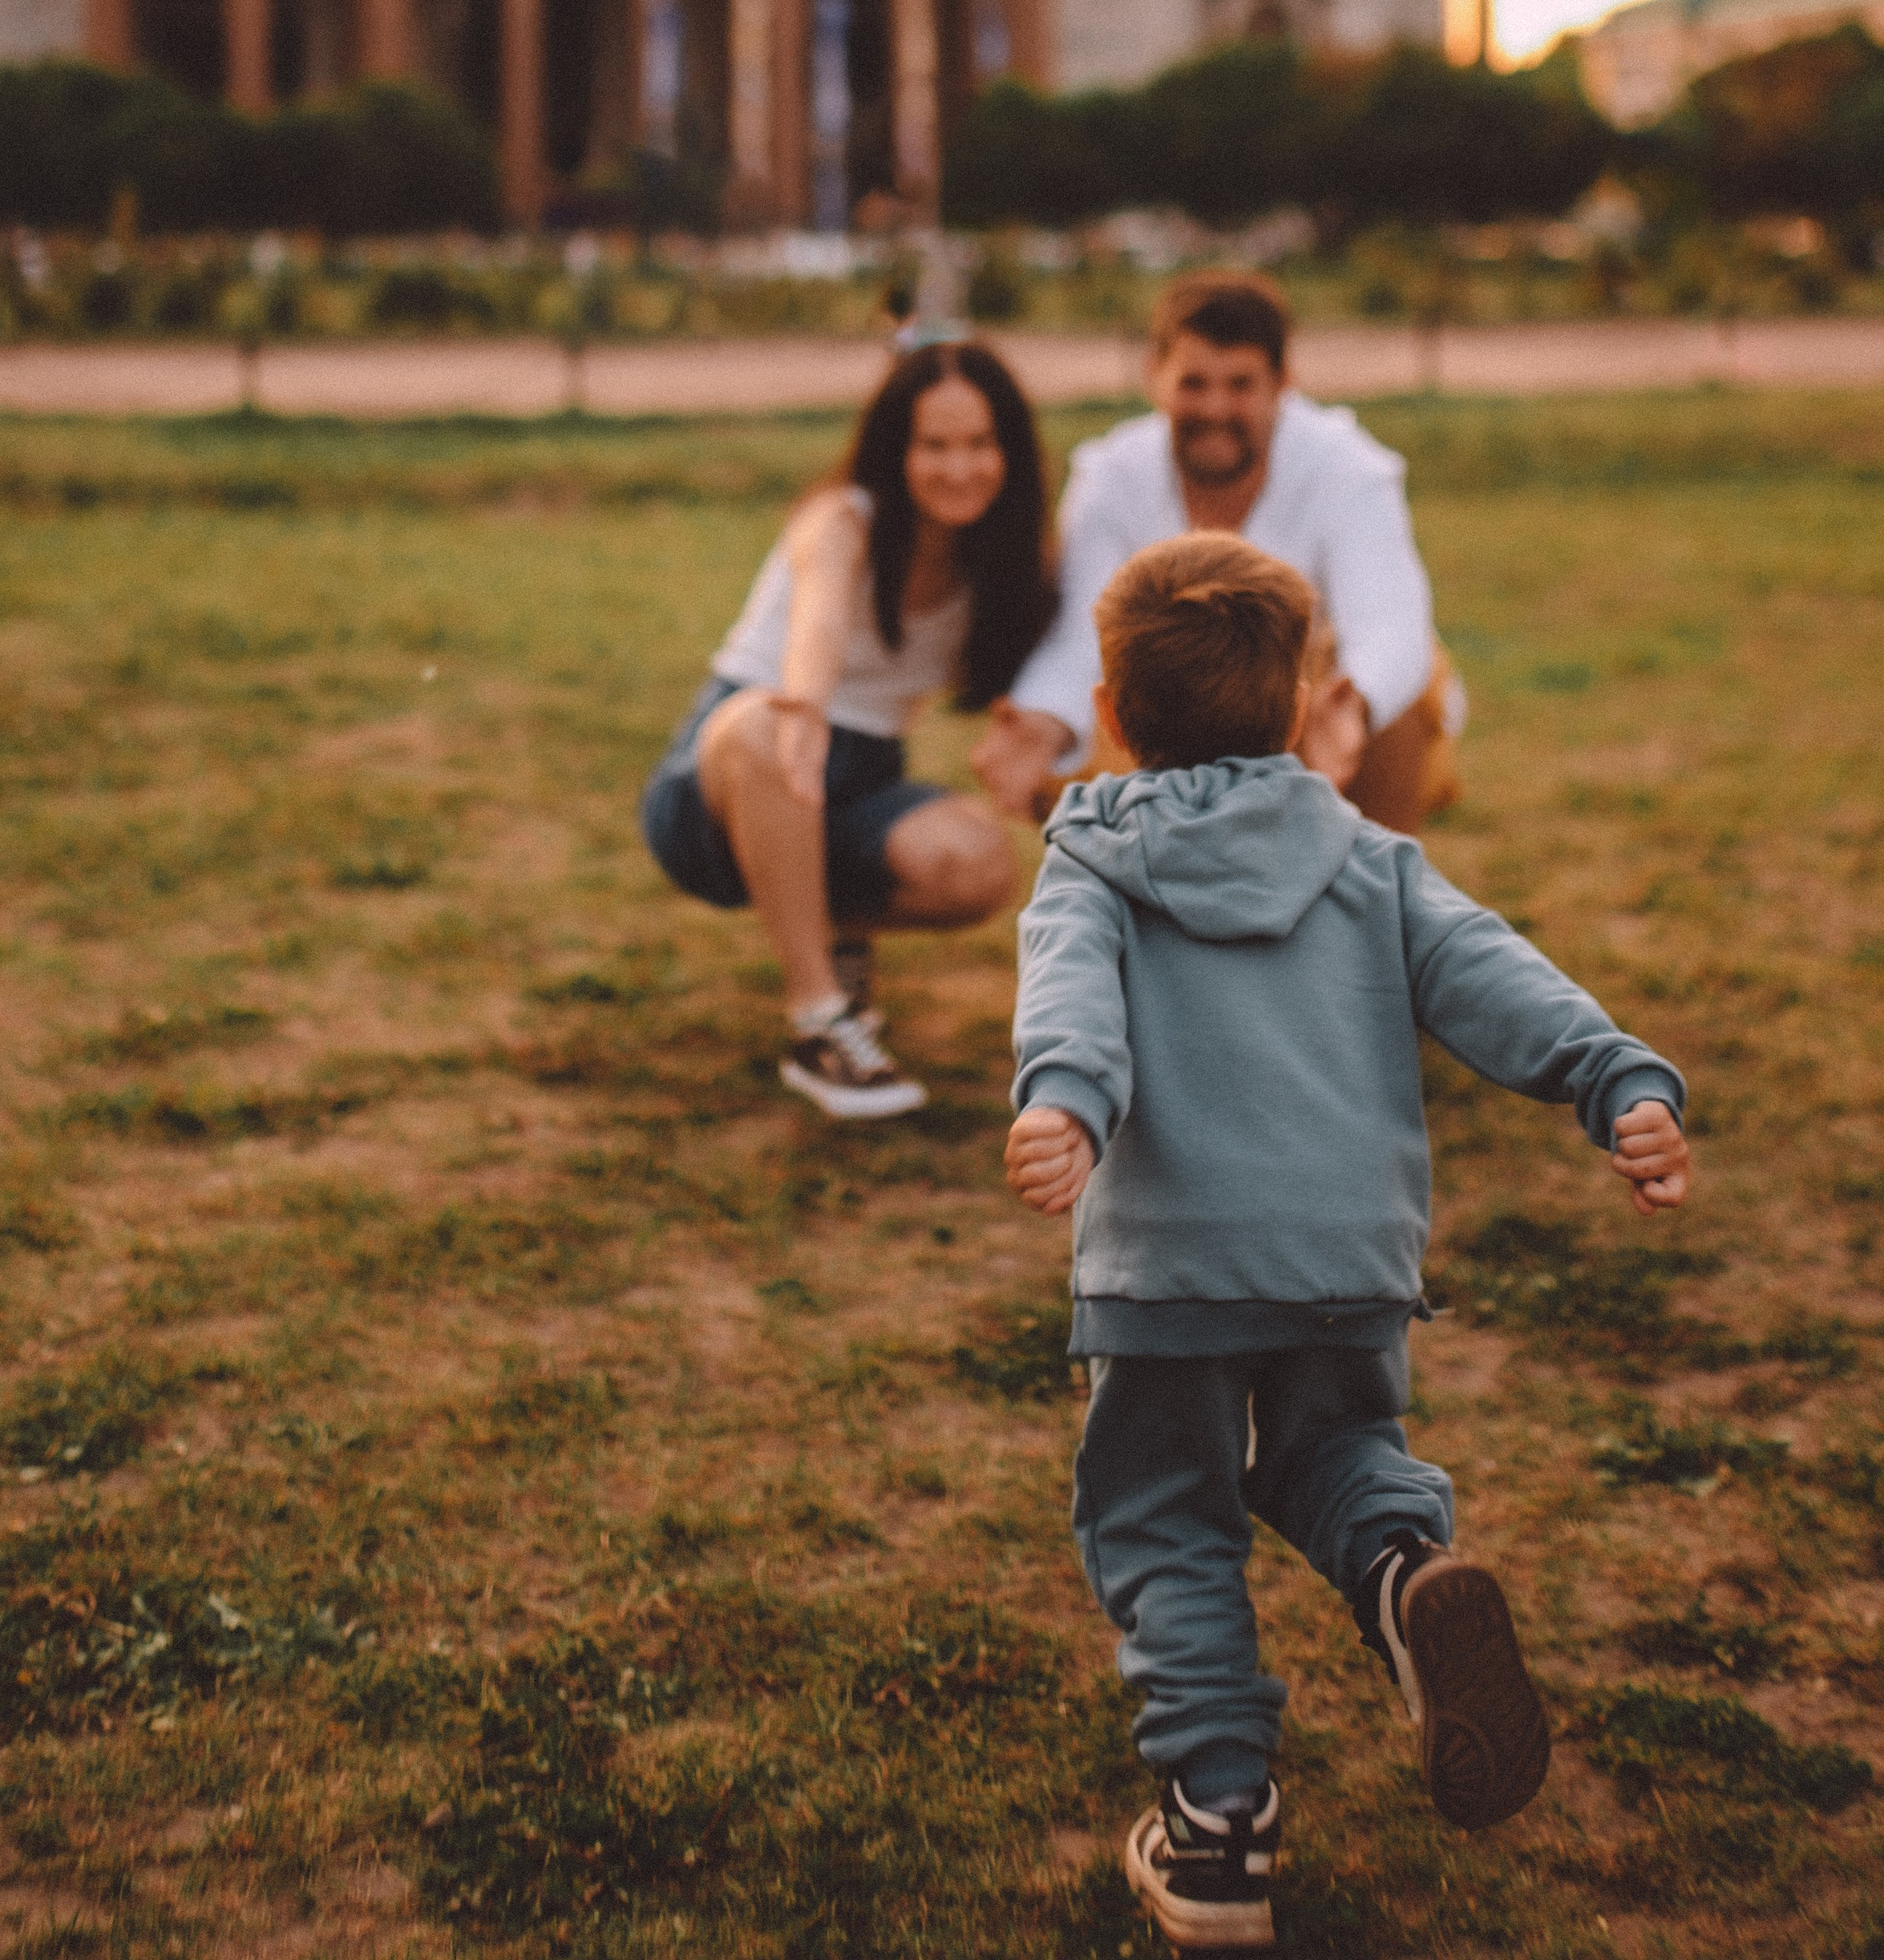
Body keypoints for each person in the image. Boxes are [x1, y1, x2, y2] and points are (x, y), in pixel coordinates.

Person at [1005, 532, 1691, 1950]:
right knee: (1335, 1450)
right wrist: (1614, 1075)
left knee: (1164, 1516)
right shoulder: (1369, 857)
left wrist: (1065, 1106)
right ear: (1309, 702)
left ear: (1115, 711)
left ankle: (1219, 1832)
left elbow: (1069, 1001)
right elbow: (1494, 972)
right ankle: (1395, 1572)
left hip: (1171, 1269)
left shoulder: (1093, 853)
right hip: (1346, 1252)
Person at [641, 341, 1055, 1121]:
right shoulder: (840, 520)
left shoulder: (1003, 563)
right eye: (933, 444)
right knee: (769, 728)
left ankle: (834, 938)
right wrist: (804, 703)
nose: (958, 466)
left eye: (978, 442)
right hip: (723, 781)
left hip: (858, 782)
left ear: (1009, 450)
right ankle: (818, 1019)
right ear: (894, 448)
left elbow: (1052, 680)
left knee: (978, 863)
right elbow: (819, 622)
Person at [973, 269, 1454, 835]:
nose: (1215, 408)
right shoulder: (1110, 473)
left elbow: (1389, 623)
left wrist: (1354, 706)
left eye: (1241, 385)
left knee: (1401, 693)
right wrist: (1044, 718)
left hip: (1300, 705)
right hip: (1167, 711)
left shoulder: (1348, 465)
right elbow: (1082, 629)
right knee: (1078, 729)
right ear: (1155, 377)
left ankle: (1374, 901)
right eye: (1194, 383)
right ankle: (1149, 906)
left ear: (1283, 384)